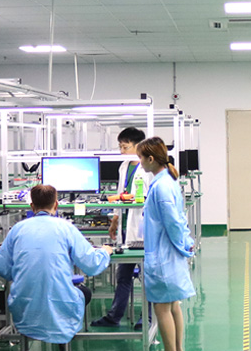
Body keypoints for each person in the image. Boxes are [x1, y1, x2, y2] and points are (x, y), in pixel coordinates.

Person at [0, 184, 113, 346]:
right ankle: (62, 340)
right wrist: (105, 252)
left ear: (32, 206)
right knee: (84, 292)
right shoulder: (66, 228)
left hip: (24, 308)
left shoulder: (17, 230)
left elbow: (4, 270)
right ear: (56, 205)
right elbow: (91, 265)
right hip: (61, 303)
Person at [92, 127, 155, 330]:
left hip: (143, 229)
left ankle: (146, 318)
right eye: (120, 146)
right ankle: (114, 316)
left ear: (138, 146)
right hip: (125, 229)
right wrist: (114, 220)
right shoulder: (124, 166)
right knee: (123, 276)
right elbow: (121, 194)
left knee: (146, 277)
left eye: (125, 146)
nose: (121, 150)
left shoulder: (148, 168)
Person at [137, 136, 195, 351]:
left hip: (163, 256)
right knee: (173, 305)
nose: (140, 163)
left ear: (151, 159)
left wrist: (183, 245)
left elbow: (173, 223)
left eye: (141, 158)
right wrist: (184, 244)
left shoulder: (161, 187)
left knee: (162, 308)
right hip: (168, 254)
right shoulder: (167, 182)